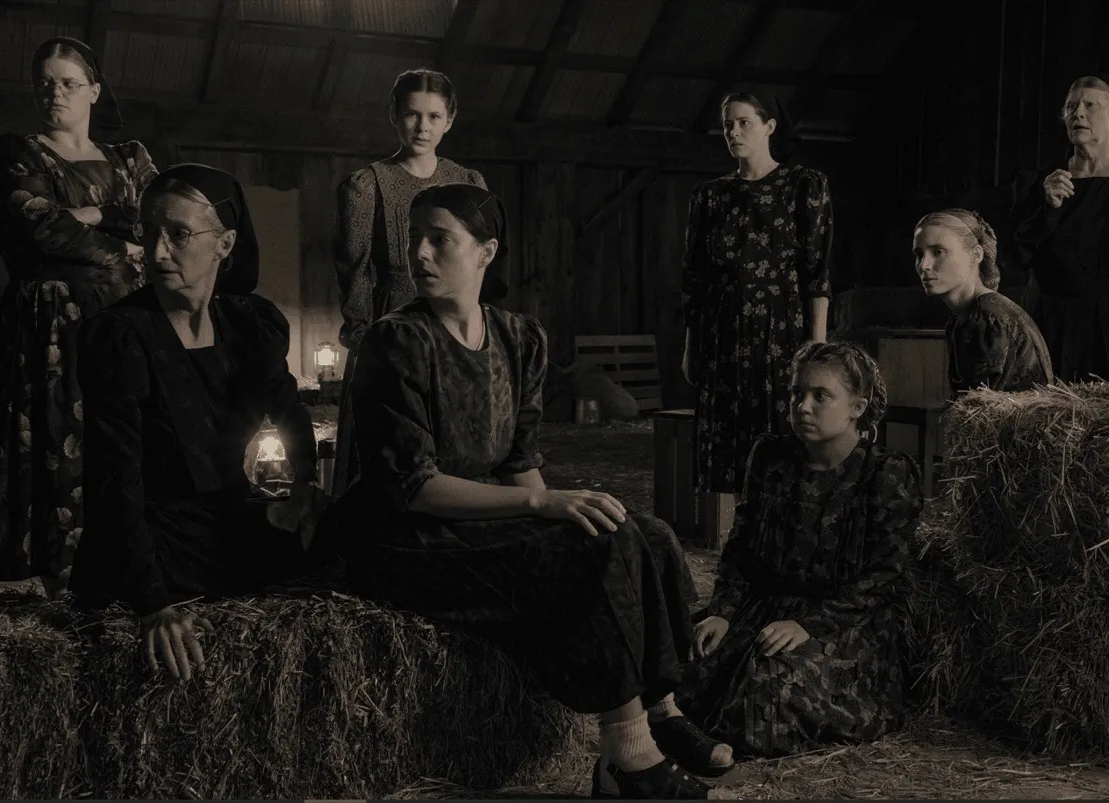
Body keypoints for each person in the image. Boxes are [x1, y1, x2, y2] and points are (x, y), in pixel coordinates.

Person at [320, 183, 731, 799]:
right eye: (415, 239)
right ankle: (626, 756)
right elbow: (412, 486)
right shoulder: (395, 343)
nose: (420, 255)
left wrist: (564, 511)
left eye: (440, 240)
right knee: (588, 548)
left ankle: (663, 709)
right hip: (406, 534)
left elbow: (518, 462)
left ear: (486, 252)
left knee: (642, 532)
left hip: (478, 516)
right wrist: (543, 506)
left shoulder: (519, 339)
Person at [69, 164, 327, 682]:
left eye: (179, 234)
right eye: (149, 232)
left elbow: (289, 410)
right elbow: (116, 479)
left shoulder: (250, 324)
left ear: (225, 243)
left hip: (226, 520)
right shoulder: (121, 338)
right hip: (150, 534)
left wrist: (303, 485)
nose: (157, 252)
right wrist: (153, 604)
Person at [0, 36, 157, 599]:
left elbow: (157, 219)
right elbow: (35, 231)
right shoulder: (17, 152)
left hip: (125, 314)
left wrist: (87, 214)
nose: (56, 92)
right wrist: (116, 231)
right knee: (56, 441)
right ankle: (61, 581)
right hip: (47, 324)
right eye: (45, 82)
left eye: (69, 82)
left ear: (94, 90)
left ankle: (133, 567)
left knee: (123, 438)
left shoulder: (131, 157)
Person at [677, 341, 923, 758]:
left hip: (846, 621)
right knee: (686, 660)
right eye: (796, 394)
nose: (802, 406)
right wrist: (723, 610)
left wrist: (810, 624)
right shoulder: (771, 455)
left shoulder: (887, 473)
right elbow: (740, 549)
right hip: (765, 605)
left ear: (857, 407)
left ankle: (716, 745)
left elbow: (884, 576)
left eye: (820, 396)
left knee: (770, 687)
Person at [331, 68, 507, 493]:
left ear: (449, 120)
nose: (422, 127)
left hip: (457, 326)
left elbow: (483, 265)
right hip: (390, 321)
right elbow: (354, 268)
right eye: (412, 115)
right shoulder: (366, 185)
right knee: (391, 452)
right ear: (395, 116)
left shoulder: (469, 182)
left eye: (433, 116)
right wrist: (364, 338)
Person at [680, 91, 834, 497]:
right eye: (728, 124)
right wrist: (691, 345)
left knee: (781, 433)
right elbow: (693, 278)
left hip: (781, 330)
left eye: (744, 122)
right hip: (721, 333)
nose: (733, 131)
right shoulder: (709, 196)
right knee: (727, 442)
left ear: (769, 127)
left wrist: (816, 345)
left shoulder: (804, 186)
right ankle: (737, 534)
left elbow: (817, 272)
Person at [1012, 74, 1109, 382]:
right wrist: (1048, 209)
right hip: (1050, 329)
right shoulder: (1041, 183)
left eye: (1091, 105)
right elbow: (1015, 258)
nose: (1078, 114)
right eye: (1071, 107)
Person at [915, 208, 1053, 394]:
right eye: (919, 254)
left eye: (938, 251)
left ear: (977, 254)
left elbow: (979, 409)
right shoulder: (964, 317)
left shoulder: (987, 318)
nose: (924, 265)